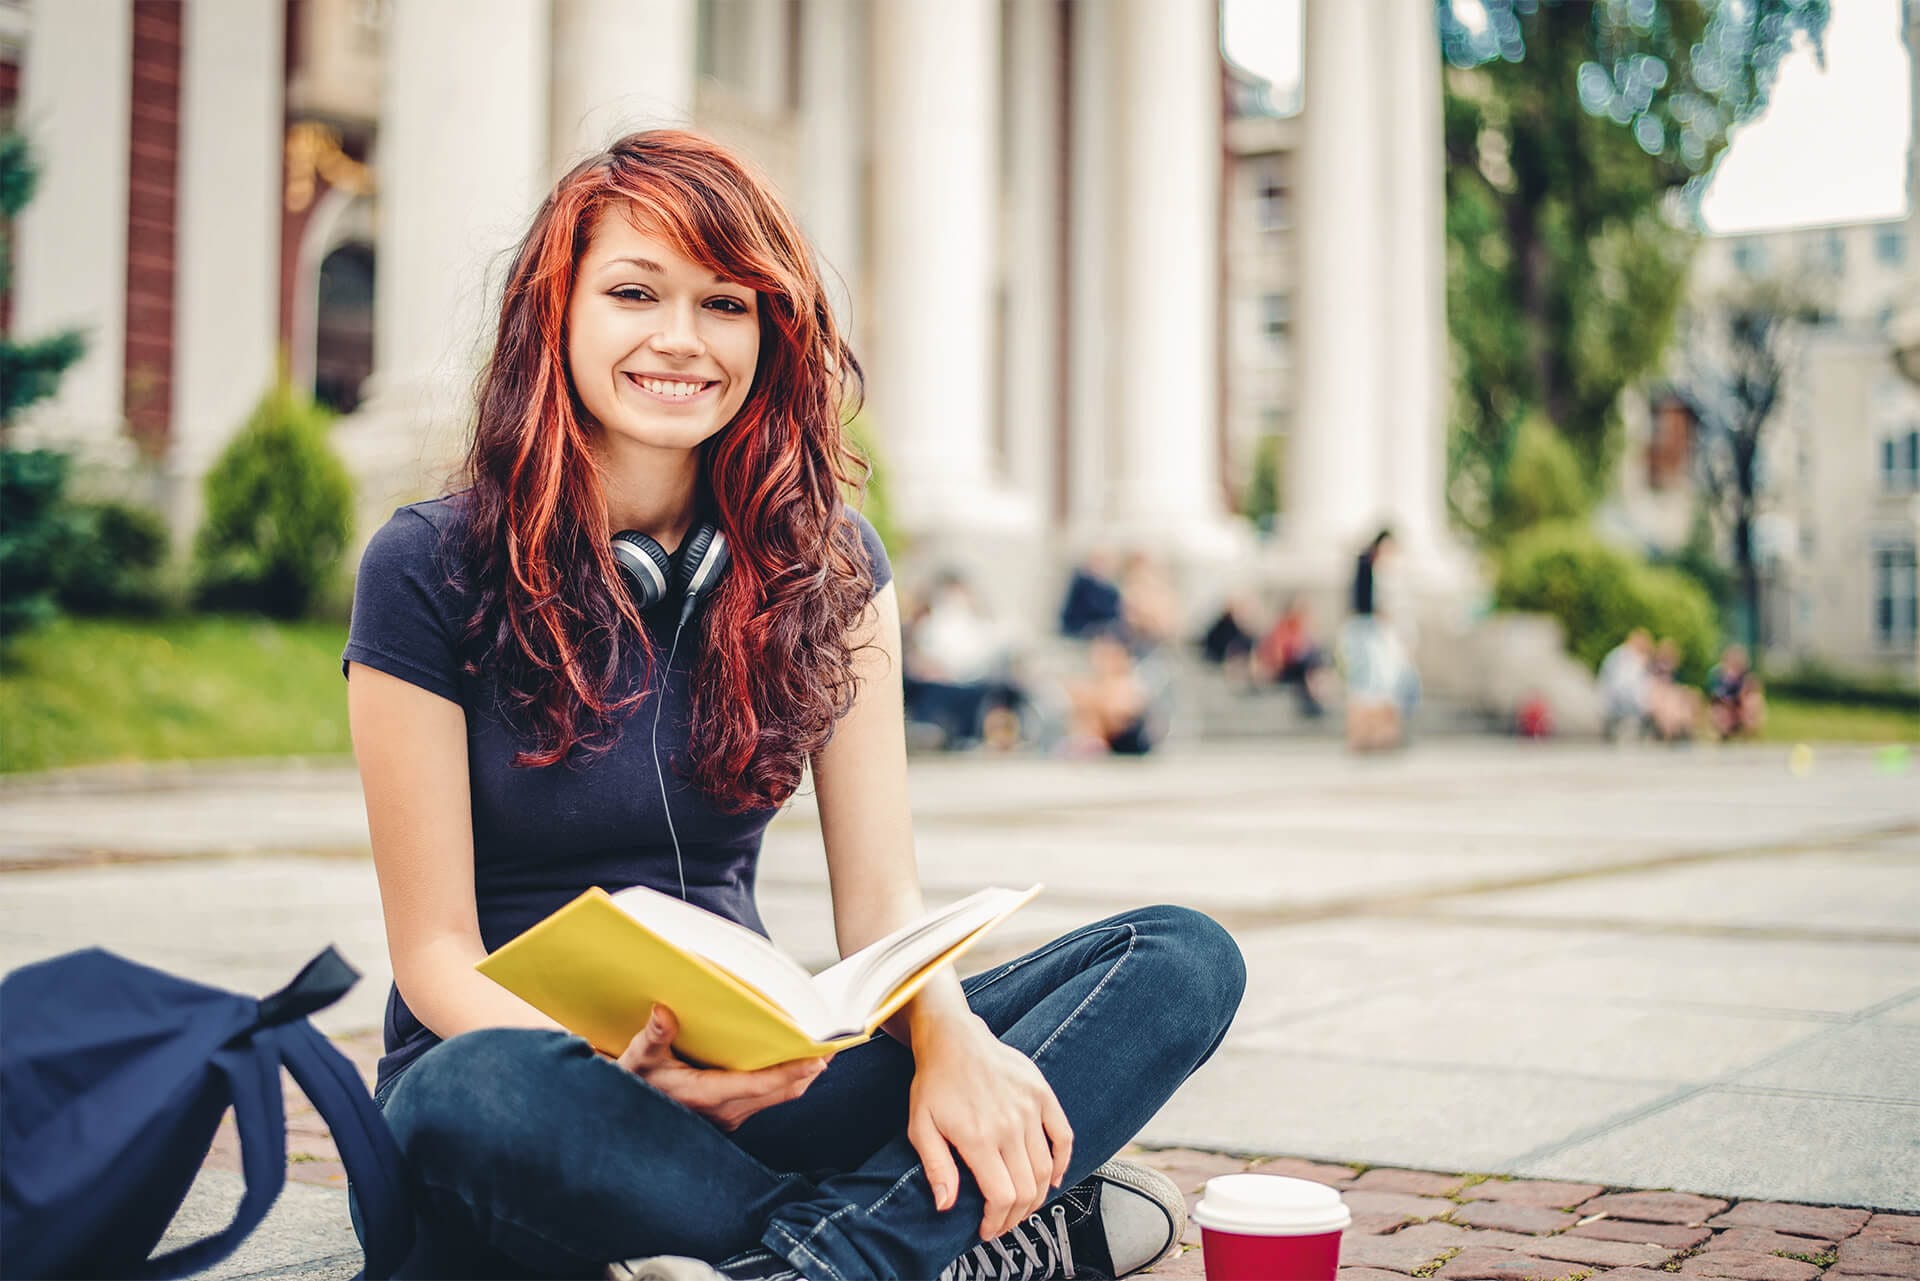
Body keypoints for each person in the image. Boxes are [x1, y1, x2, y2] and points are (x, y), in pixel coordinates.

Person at [340, 130, 1243, 1281]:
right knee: (474, 1101)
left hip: (765, 1080)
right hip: (530, 1083)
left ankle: (807, 1259)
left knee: (1180, 958)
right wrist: (635, 1077)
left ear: (771, 334)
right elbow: (433, 955)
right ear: (554, 315)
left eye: (725, 303)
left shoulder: (831, 566)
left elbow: (882, 900)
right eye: (632, 293)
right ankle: (927, 1242)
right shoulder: (431, 565)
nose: (681, 339)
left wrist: (949, 1039)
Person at [1338, 529, 1417, 752]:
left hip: (1369, 631)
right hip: (1371, 632)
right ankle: (1370, 735)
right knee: (1370, 687)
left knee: (1371, 688)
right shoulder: (1374, 569)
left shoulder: (1368, 567)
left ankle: (1374, 735)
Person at [1254, 596, 1332, 717]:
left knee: (1317, 660)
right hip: (1284, 670)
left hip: (1301, 671)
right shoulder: (1283, 630)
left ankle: (1317, 694)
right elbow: (1280, 657)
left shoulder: (1304, 631)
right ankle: (1314, 696)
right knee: (1308, 663)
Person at [1597, 629, 1654, 741]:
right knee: (1656, 701)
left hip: (1621, 700)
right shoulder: (1624, 658)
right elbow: (1621, 688)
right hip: (1616, 702)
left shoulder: (1623, 656)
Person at [1708, 644, 1767, 739]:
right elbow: (1717, 697)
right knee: (1720, 711)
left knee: (1754, 701)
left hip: (1739, 706)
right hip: (1726, 706)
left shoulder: (1746, 678)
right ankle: (1723, 732)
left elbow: (1755, 691)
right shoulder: (1718, 676)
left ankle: (1750, 732)